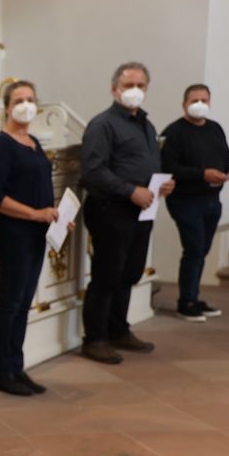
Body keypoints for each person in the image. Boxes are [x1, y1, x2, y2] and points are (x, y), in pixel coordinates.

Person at [79, 62, 175, 363]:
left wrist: (159, 186)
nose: (135, 91)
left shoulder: (146, 125)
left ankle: (118, 329)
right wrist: (130, 190)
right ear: (114, 89)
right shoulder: (102, 124)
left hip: (142, 211)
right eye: (129, 85)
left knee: (129, 272)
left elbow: (147, 162)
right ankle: (95, 338)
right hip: (111, 209)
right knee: (107, 275)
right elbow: (94, 172)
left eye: (141, 85)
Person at [0, 80, 64, 396]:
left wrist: (54, 215)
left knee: (23, 303)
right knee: (11, 302)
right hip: (14, 232)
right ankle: (2, 371)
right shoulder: (2, 144)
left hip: (36, 233)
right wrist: (35, 214)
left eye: (31, 98)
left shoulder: (32, 140)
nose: (26, 104)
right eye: (19, 99)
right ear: (7, 106)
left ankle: (17, 366)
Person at [161, 83, 229, 322]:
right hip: (185, 199)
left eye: (204, 100)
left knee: (201, 250)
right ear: (184, 104)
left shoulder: (215, 129)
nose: (200, 105)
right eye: (195, 100)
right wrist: (202, 174)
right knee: (193, 248)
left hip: (212, 199)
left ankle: (193, 295)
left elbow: (224, 160)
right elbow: (169, 167)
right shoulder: (174, 132)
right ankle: (186, 302)